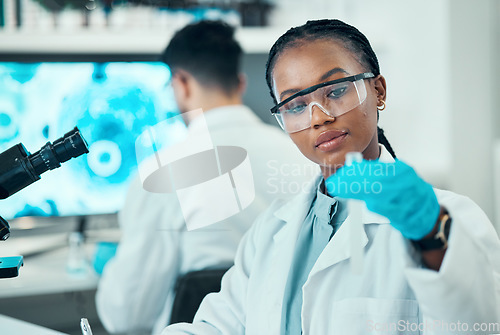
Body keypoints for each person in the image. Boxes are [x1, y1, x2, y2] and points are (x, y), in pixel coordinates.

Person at [160, 19, 500, 335]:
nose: (318, 117)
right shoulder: (270, 231)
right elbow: (219, 327)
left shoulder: (450, 216)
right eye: (295, 104)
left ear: (378, 91)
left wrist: (432, 232)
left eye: (335, 91)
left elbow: (479, 324)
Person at [95, 20, 316, 335]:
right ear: (239, 83)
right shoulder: (301, 155)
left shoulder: (163, 172)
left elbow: (129, 317)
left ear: (181, 84)